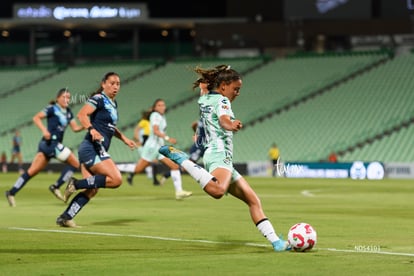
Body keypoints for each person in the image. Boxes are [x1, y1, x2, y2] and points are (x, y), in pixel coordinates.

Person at [159, 64, 291, 252]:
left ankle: (276, 243)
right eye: (235, 89)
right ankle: (182, 159)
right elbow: (223, 120)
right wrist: (232, 125)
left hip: (220, 156)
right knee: (218, 191)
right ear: (223, 87)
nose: (237, 93)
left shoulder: (205, 98)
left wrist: (218, 74)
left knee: (253, 201)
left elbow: (205, 88)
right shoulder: (222, 101)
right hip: (219, 153)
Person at [56, 72, 136, 227]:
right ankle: (76, 184)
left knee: (92, 190)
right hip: (92, 148)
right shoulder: (98, 99)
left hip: (94, 149)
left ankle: (65, 217)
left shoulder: (113, 104)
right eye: (112, 83)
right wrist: (91, 129)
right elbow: (82, 115)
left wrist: (124, 139)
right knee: (116, 179)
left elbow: (111, 127)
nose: (115, 86)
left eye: (118, 83)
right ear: (103, 84)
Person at [5, 88, 84, 207]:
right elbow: (36, 118)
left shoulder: (68, 112)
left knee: (31, 171)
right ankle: (56, 186)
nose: (66, 99)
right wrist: (44, 130)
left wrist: (86, 125)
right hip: (50, 143)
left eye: (68, 97)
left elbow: (75, 128)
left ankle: (11, 192)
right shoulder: (52, 108)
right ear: (58, 98)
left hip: (48, 146)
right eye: (64, 97)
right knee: (74, 163)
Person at [126, 98, 192, 200]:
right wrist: (168, 138)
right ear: (155, 108)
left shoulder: (161, 116)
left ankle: (179, 191)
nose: (162, 107)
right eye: (159, 105)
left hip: (159, 147)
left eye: (163, 105)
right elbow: (156, 131)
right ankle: (118, 170)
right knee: (138, 169)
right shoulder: (155, 116)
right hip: (152, 147)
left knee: (174, 166)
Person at [158, 81, 208, 185]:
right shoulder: (204, 121)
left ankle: (216, 180)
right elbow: (194, 125)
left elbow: (194, 125)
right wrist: (197, 135)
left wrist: (196, 134)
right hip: (199, 146)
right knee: (187, 167)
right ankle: (167, 175)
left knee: (209, 164)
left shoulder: (202, 121)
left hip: (204, 145)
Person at [133, 109, 160, 185]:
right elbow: (136, 130)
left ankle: (154, 179)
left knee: (151, 161)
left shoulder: (151, 123)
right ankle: (153, 179)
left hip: (150, 143)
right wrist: (137, 139)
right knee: (150, 161)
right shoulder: (144, 122)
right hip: (145, 144)